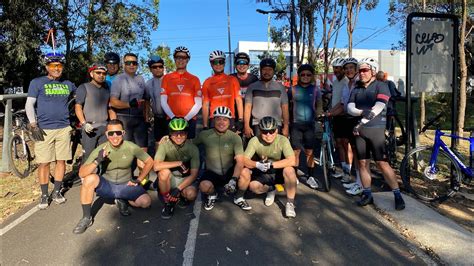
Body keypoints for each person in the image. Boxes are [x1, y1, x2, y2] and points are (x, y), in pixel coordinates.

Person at [72, 119, 154, 234]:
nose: (115, 137)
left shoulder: (131, 147)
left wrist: (140, 179)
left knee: (146, 202)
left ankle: (123, 198)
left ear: (123, 133)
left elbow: (150, 161)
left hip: (126, 184)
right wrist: (98, 160)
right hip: (107, 186)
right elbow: (82, 173)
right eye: (111, 133)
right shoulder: (101, 149)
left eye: (118, 133)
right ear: (106, 134)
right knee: (90, 179)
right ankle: (86, 217)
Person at [347, 57, 405, 211]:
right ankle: (367, 194)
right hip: (360, 131)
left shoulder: (381, 86)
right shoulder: (357, 88)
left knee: (382, 163)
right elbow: (349, 108)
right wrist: (362, 112)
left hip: (376, 129)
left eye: (365, 70)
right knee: (362, 163)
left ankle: (397, 194)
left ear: (373, 71)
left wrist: (364, 119)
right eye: (360, 70)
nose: (361, 73)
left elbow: (379, 106)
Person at [25, 52, 76, 209]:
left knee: (61, 161)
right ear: (47, 67)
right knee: (44, 163)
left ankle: (57, 191)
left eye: (59, 66)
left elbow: (80, 98)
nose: (57, 68)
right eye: (53, 66)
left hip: (63, 127)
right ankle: (44, 194)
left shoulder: (69, 84)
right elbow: (29, 104)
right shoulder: (37, 82)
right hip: (44, 129)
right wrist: (33, 124)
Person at [194, 106, 250, 211]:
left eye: (225, 119)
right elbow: (189, 145)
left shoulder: (235, 137)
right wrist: (169, 139)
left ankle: (239, 197)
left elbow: (240, 161)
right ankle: (212, 195)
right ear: (213, 120)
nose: (221, 122)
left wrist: (234, 179)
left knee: (246, 173)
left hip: (229, 172)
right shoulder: (204, 135)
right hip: (212, 173)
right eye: (218, 119)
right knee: (204, 186)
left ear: (229, 122)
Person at [240, 116, 298, 218]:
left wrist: (271, 164)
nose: (268, 135)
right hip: (264, 172)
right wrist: (257, 164)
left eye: (271, 131)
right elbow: (244, 160)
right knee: (253, 187)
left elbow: (292, 160)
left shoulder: (283, 140)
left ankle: (290, 203)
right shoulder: (254, 140)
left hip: (279, 171)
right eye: (265, 132)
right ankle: (272, 189)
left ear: (276, 130)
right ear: (260, 131)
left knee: (289, 171)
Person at [154, 118, 199, 219]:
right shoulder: (164, 145)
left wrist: (178, 189)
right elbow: (156, 166)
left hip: (184, 178)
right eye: (175, 133)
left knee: (191, 194)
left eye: (182, 133)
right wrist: (178, 163)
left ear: (187, 133)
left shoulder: (193, 148)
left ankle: (181, 196)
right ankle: (168, 203)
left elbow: (194, 174)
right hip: (171, 178)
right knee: (163, 173)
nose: (178, 136)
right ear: (170, 133)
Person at [288, 64, 322, 189]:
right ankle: (295, 176)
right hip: (296, 125)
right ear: (299, 76)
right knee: (295, 152)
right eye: (303, 74)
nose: (305, 77)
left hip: (310, 125)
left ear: (312, 76)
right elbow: (287, 106)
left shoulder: (315, 90)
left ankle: (310, 177)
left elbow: (319, 105)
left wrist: (319, 119)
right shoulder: (292, 89)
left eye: (308, 74)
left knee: (310, 152)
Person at [75, 62, 116, 163]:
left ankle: (101, 178)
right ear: (91, 74)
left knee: (104, 157)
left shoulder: (107, 89)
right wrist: (84, 123)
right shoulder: (84, 87)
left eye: (103, 73)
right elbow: (78, 107)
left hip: (104, 127)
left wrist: (115, 124)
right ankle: (85, 178)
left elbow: (109, 107)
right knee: (88, 157)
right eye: (98, 73)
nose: (101, 75)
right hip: (90, 128)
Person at [109, 53, 149, 149]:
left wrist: (147, 117)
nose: (131, 65)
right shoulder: (119, 79)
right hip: (124, 119)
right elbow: (113, 102)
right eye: (128, 63)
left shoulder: (141, 79)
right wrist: (129, 104)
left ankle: (142, 165)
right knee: (125, 150)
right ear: (124, 64)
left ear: (137, 65)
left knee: (142, 150)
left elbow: (146, 100)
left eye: (134, 63)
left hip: (139, 119)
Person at [160, 46, 202, 139]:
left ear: (188, 60)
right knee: (171, 150)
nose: (181, 60)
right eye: (178, 57)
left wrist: (186, 118)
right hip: (171, 119)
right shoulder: (167, 78)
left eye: (183, 58)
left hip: (190, 119)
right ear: (174, 59)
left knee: (188, 149)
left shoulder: (194, 79)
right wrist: (173, 117)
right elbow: (163, 101)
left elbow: (198, 104)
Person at [244, 58, 290, 138]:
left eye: (270, 69)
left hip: (276, 124)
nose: (267, 72)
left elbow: (285, 108)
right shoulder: (252, 87)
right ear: (260, 70)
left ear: (273, 71)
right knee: (259, 150)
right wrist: (246, 126)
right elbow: (247, 107)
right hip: (257, 124)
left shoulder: (280, 88)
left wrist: (286, 126)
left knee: (276, 150)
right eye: (264, 69)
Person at [338, 57, 364, 196]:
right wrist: (328, 113)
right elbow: (342, 105)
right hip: (349, 120)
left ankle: (362, 184)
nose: (348, 70)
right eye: (346, 68)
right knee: (354, 150)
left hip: (359, 121)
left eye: (351, 68)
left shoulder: (360, 83)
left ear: (356, 69)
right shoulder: (346, 85)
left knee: (361, 154)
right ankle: (358, 181)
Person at [202, 50, 243, 131]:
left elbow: (238, 100)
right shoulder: (207, 82)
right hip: (214, 119)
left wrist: (241, 119)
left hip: (230, 118)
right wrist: (205, 125)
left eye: (220, 62)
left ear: (224, 63)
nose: (218, 65)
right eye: (215, 62)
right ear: (211, 64)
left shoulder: (232, 80)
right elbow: (205, 104)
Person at [145, 55, 167, 151]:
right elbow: (146, 101)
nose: (158, 69)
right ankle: (158, 163)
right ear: (150, 69)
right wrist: (147, 118)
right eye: (154, 67)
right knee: (158, 141)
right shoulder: (148, 83)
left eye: (160, 66)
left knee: (171, 141)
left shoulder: (169, 80)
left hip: (169, 117)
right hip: (157, 118)